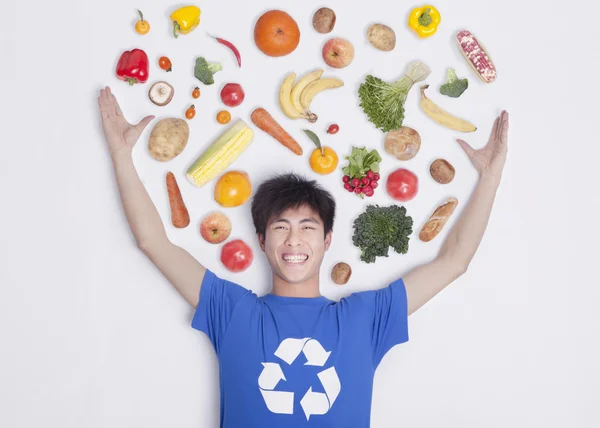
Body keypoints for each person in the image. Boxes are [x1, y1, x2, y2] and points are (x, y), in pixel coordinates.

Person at [98, 86, 509, 428]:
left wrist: (490, 176)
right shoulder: (232, 311)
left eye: (308, 227)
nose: (294, 241)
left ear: (328, 239)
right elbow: (154, 242)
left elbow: (454, 261)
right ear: (261, 240)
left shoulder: (364, 318)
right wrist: (121, 155)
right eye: (281, 227)